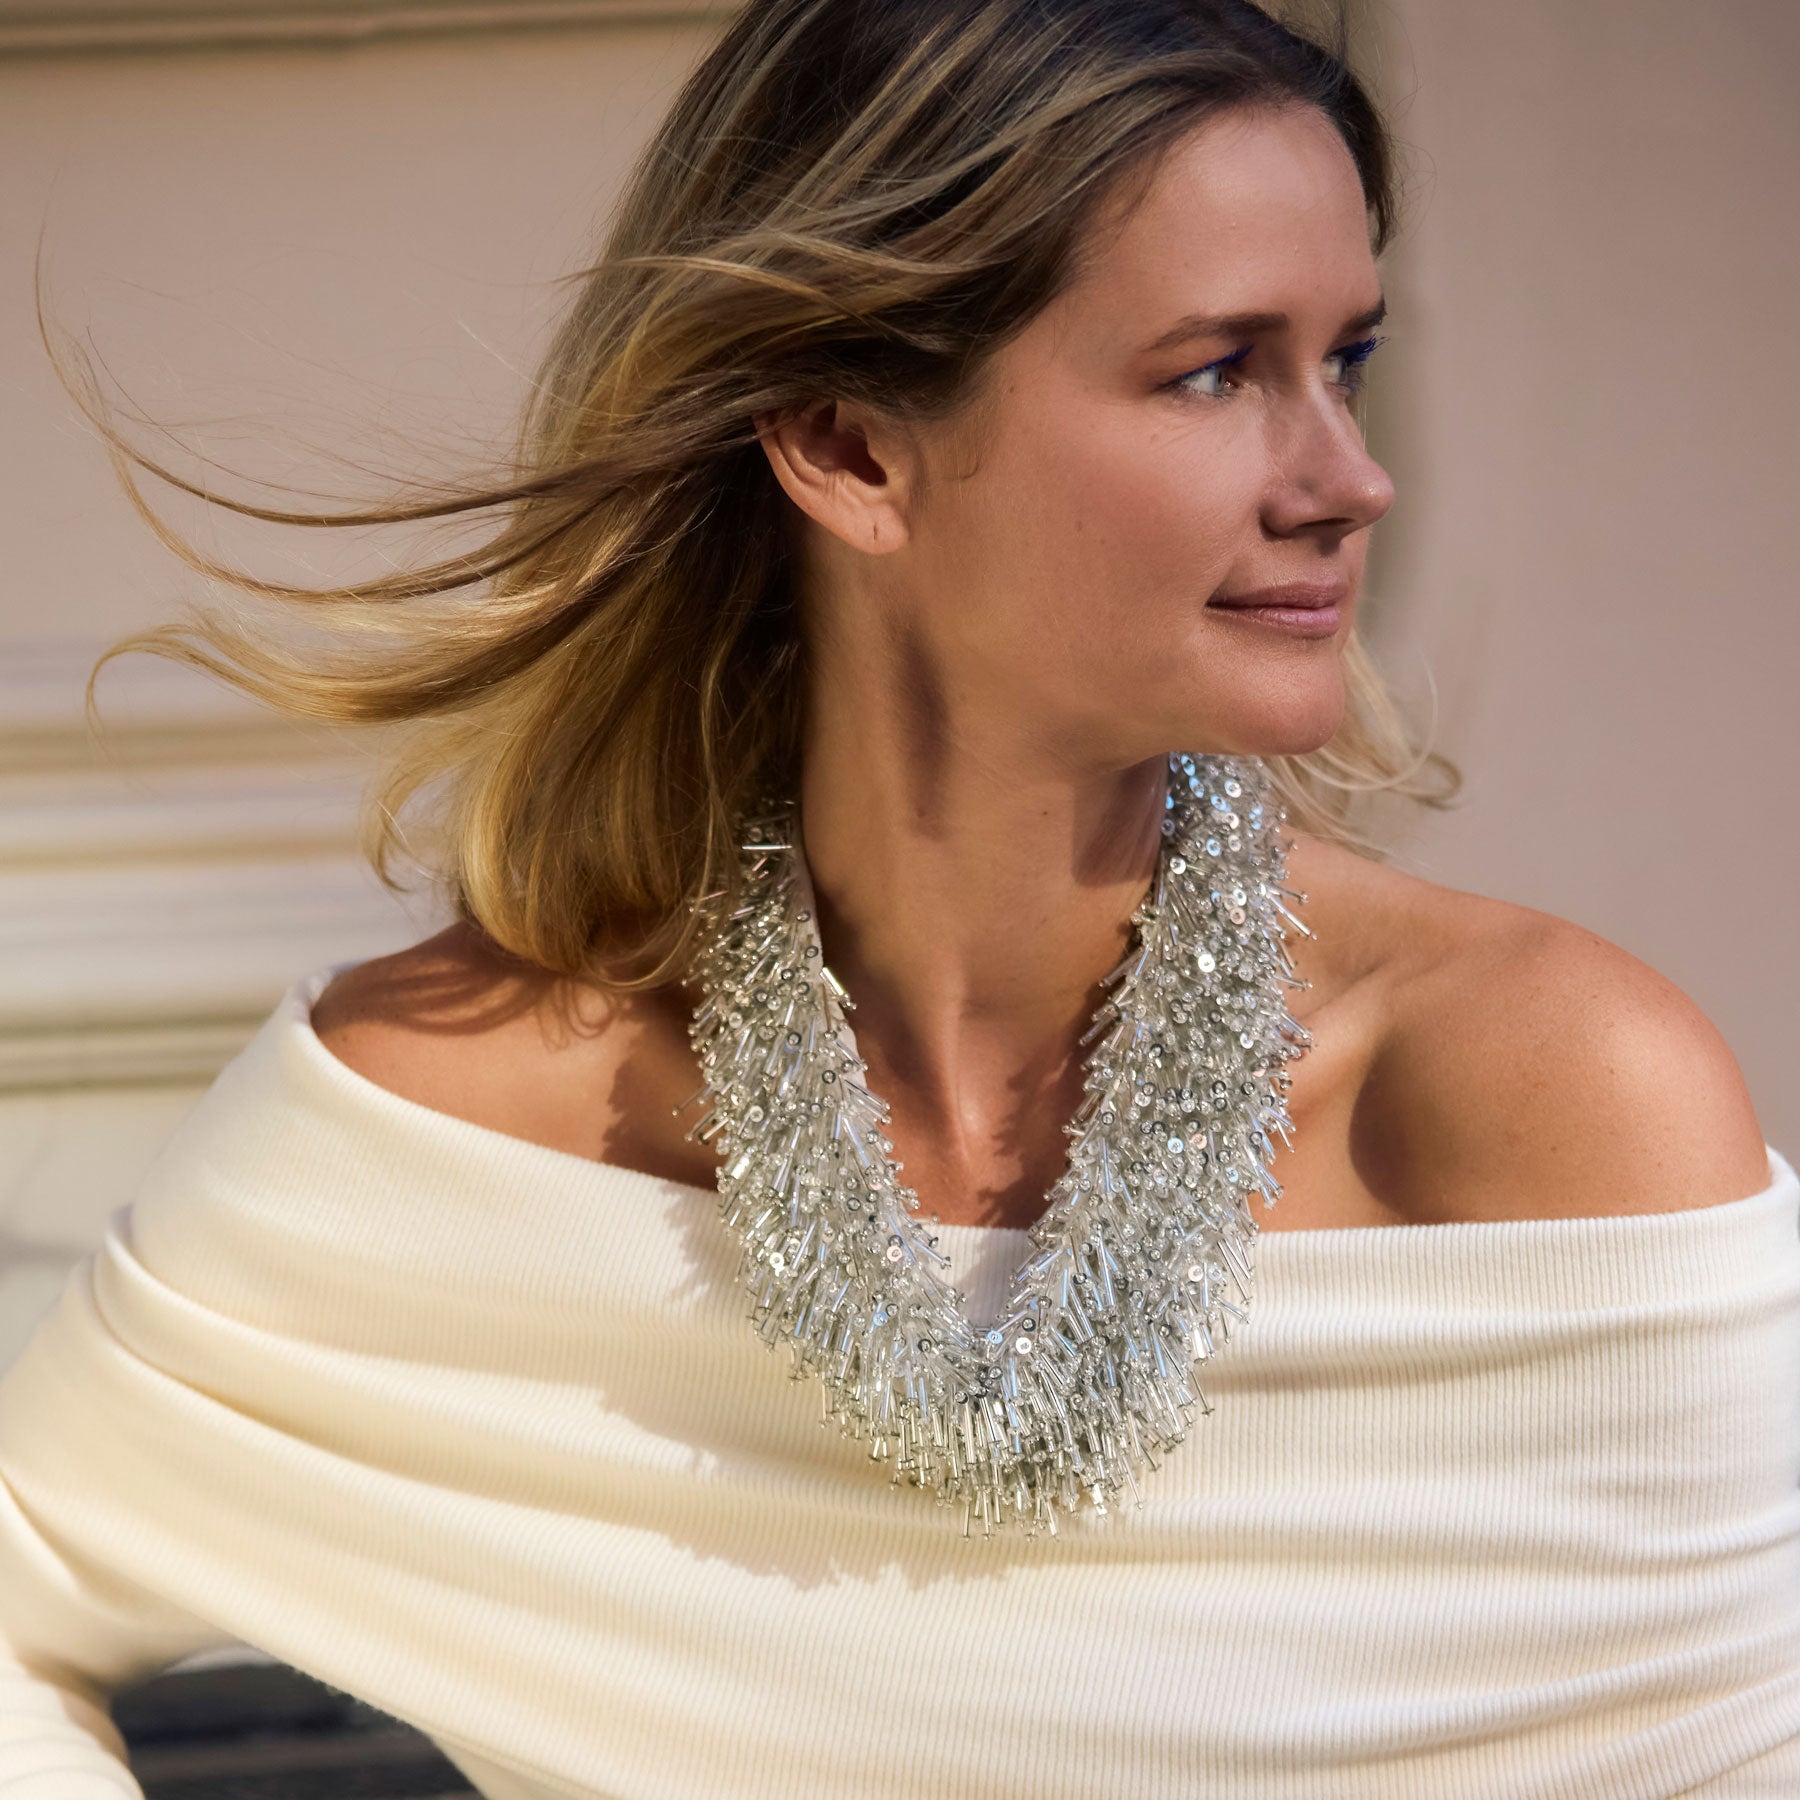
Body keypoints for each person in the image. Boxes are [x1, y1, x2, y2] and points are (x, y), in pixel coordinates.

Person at [5, 0, 1797, 1795]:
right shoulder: (455, 1112)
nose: (1347, 476)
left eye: (1349, 359)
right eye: (1214, 370)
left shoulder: (1545, 1105)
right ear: (847, 446)